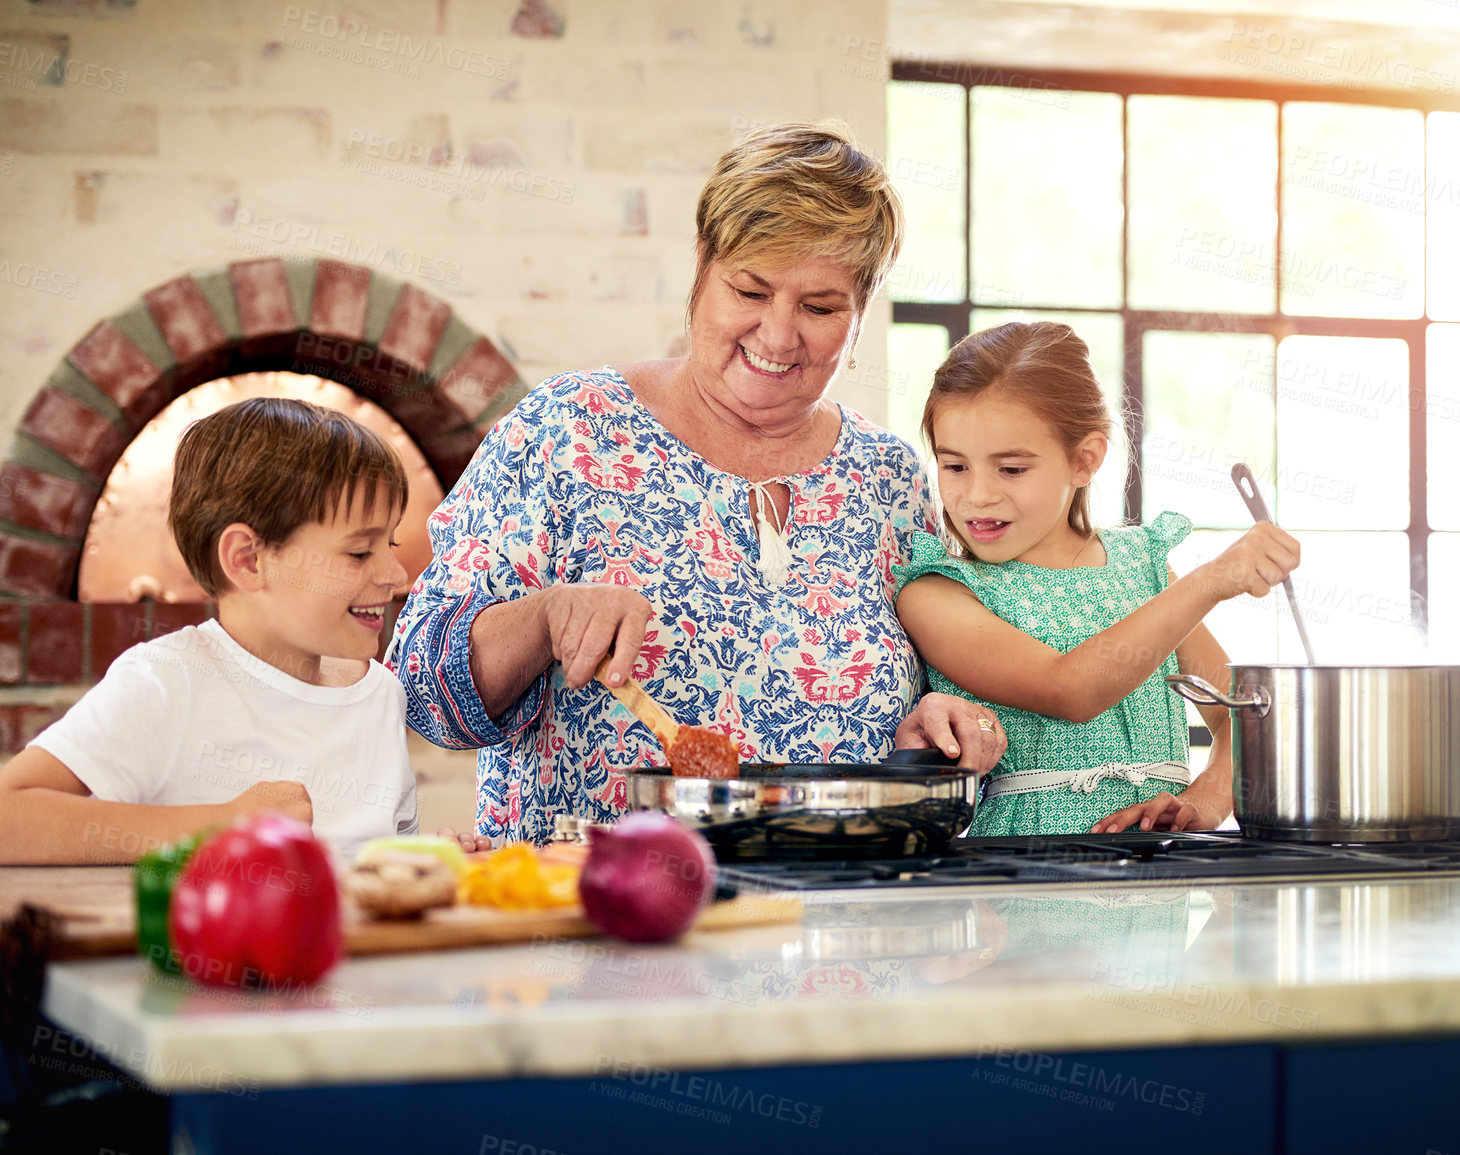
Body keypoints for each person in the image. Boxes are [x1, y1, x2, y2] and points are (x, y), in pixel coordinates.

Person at [391, 121, 1007, 847]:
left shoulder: (889, 477)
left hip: (838, 941)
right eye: (749, 289)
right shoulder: (568, 430)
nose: (778, 337)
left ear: (862, 310)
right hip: (600, 934)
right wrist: (544, 616)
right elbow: (424, 696)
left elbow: (947, 704)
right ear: (700, 265)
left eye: (819, 307)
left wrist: (939, 730)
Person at [0, 398, 485, 865]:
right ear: (248, 560)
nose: (396, 575)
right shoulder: (167, 681)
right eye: (358, 552)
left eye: (390, 546)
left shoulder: (379, 696)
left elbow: (361, 869)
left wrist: (426, 861)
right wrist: (223, 825)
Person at [893, 322, 1301, 836]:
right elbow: (1070, 688)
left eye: (1011, 469)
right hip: (1026, 881)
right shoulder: (937, 592)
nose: (977, 496)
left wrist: (1207, 798)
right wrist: (1210, 581)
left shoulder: (1145, 566)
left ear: (1084, 460)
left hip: (1161, 877)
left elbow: (1244, 714)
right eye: (954, 466)